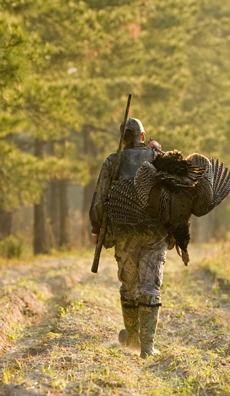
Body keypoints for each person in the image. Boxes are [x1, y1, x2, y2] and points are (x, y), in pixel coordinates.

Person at [89, 118, 167, 358]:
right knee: (150, 285)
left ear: (123, 139)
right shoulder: (158, 158)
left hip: (124, 232)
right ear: (142, 137)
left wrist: (96, 228)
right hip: (155, 233)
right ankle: (147, 346)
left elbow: (101, 197)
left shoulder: (113, 161)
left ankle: (132, 337)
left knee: (129, 285)